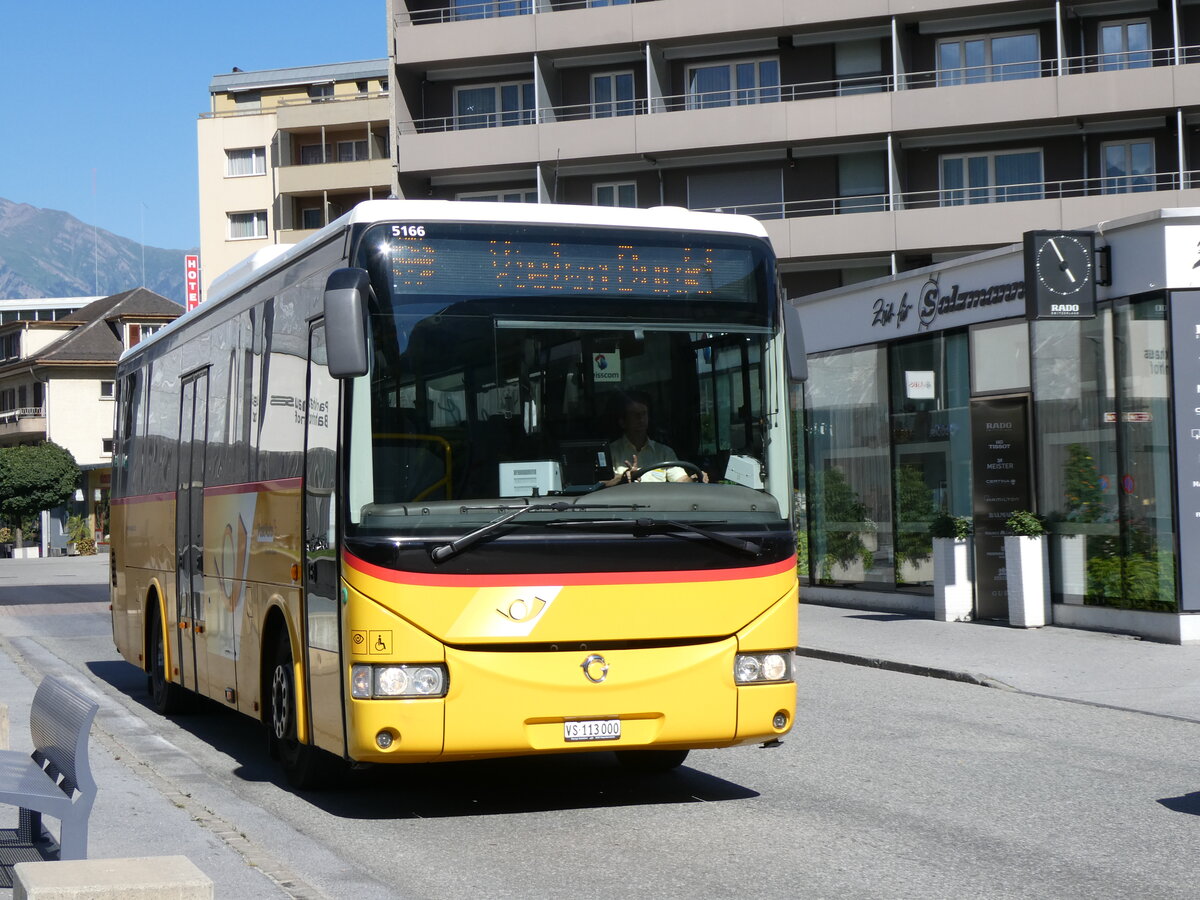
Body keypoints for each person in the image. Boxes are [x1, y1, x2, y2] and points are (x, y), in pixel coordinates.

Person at [602, 392, 706, 485]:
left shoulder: (664, 452)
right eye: (635, 415)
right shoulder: (610, 452)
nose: (641, 419)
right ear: (623, 422)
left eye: (644, 414)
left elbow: (680, 480)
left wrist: (695, 479)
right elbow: (601, 483)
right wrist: (622, 478)